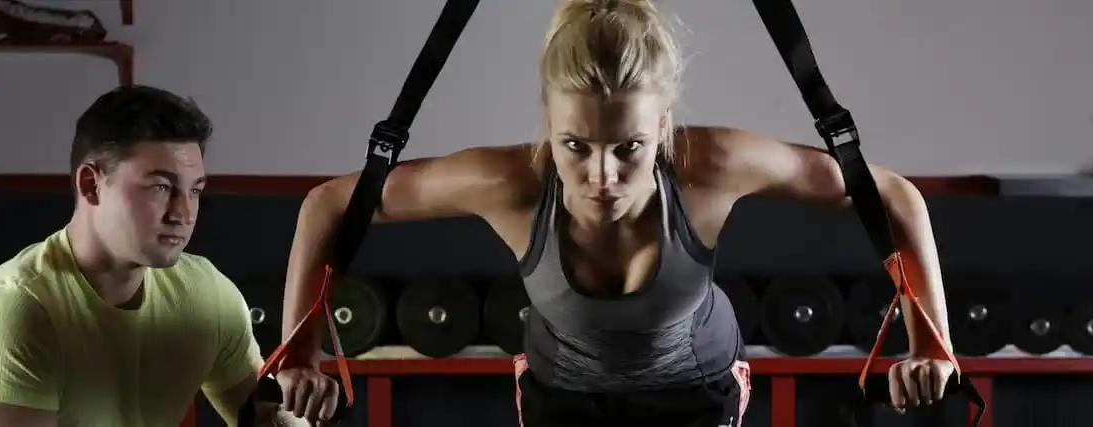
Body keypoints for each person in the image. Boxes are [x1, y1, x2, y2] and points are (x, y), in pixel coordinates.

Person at [277, 0, 957, 425]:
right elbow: (330, 203)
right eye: (575, 145)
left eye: (628, 147)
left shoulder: (709, 165)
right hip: (561, 397)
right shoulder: (511, 182)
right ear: (548, 123)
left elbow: (889, 195)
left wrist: (931, 344)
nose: (601, 175)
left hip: (695, 392)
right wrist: (297, 353)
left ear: (662, 126)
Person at [0, 85, 321, 427]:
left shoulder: (206, 293)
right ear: (91, 184)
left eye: (195, 191)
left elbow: (265, 418)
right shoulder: (14, 311)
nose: (183, 214)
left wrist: (294, 404)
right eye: (159, 187)